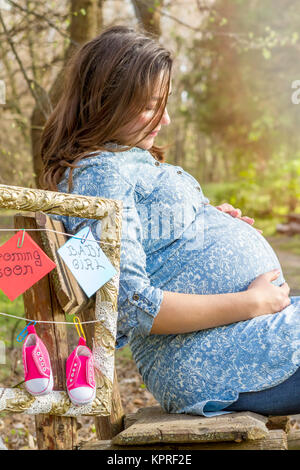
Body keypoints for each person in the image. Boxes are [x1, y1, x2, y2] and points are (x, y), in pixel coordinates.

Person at [40, 25, 300, 417]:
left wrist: (205, 220)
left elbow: (150, 239)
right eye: (149, 106)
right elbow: (129, 305)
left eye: (165, 103)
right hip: (217, 357)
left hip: (241, 342)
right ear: (104, 103)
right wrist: (252, 302)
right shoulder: (100, 174)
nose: (166, 120)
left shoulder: (121, 161)